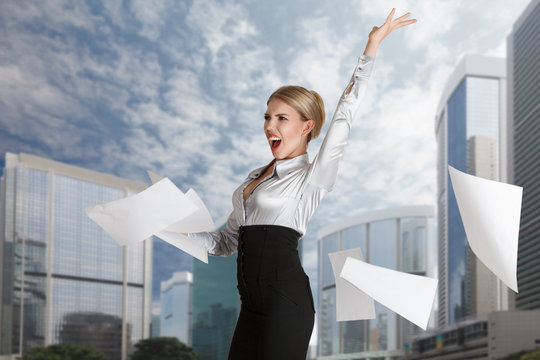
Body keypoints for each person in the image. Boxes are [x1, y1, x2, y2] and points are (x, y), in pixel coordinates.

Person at [187, 8, 417, 360]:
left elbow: (346, 111)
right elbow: (225, 243)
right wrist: (169, 230)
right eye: (267, 116)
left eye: (281, 118)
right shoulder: (253, 179)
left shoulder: (313, 175)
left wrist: (371, 46)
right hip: (250, 308)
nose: (269, 126)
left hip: (287, 304)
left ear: (306, 127)